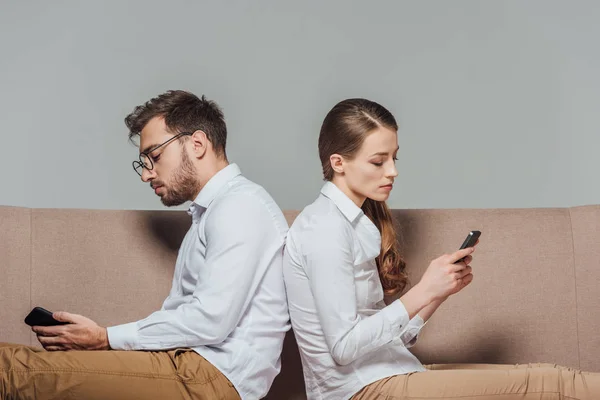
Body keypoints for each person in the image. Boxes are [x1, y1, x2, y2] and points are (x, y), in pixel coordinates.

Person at [282, 97, 600, 399]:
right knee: (551, 384)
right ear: (338, 162)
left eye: (394, 158)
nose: (392, 171)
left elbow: (389, 338)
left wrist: (437, 293)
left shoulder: (351, 223)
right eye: (378, 161)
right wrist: (422, 291)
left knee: (547, 375)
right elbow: (344, 347)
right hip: (362, 389)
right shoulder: (324, 229)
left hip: (390, 372)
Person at [0, 90, 290, 400]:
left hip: (210, 378)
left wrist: (103, 338)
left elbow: (211, 321)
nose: (147, 174)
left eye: (155, 156)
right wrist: (100, 339)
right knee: (9, 356)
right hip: (188, 365)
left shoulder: (240, 206)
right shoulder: (213, 211)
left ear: (197, 144)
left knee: (9, 370)